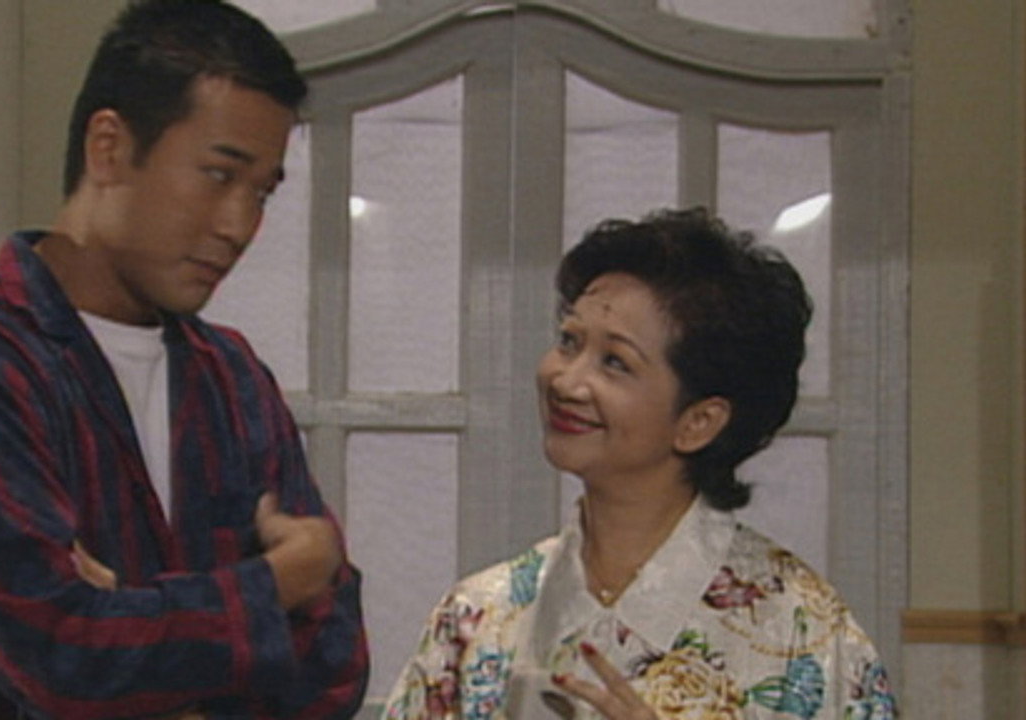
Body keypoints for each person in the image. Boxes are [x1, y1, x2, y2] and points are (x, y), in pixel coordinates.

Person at [0, 1, 368, 717]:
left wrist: (134, 620)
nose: (240, 225)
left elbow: (336, 665)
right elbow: (60, 655)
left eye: (261, 192)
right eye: (218, 175)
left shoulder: (233, 380)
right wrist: (281, 581)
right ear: (108, 147)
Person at [381, 208, 897, 719]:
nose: (566, 382)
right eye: (569, 341)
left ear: (699, 421)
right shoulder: (477, 617)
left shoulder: (804, 633)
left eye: (615, 362)